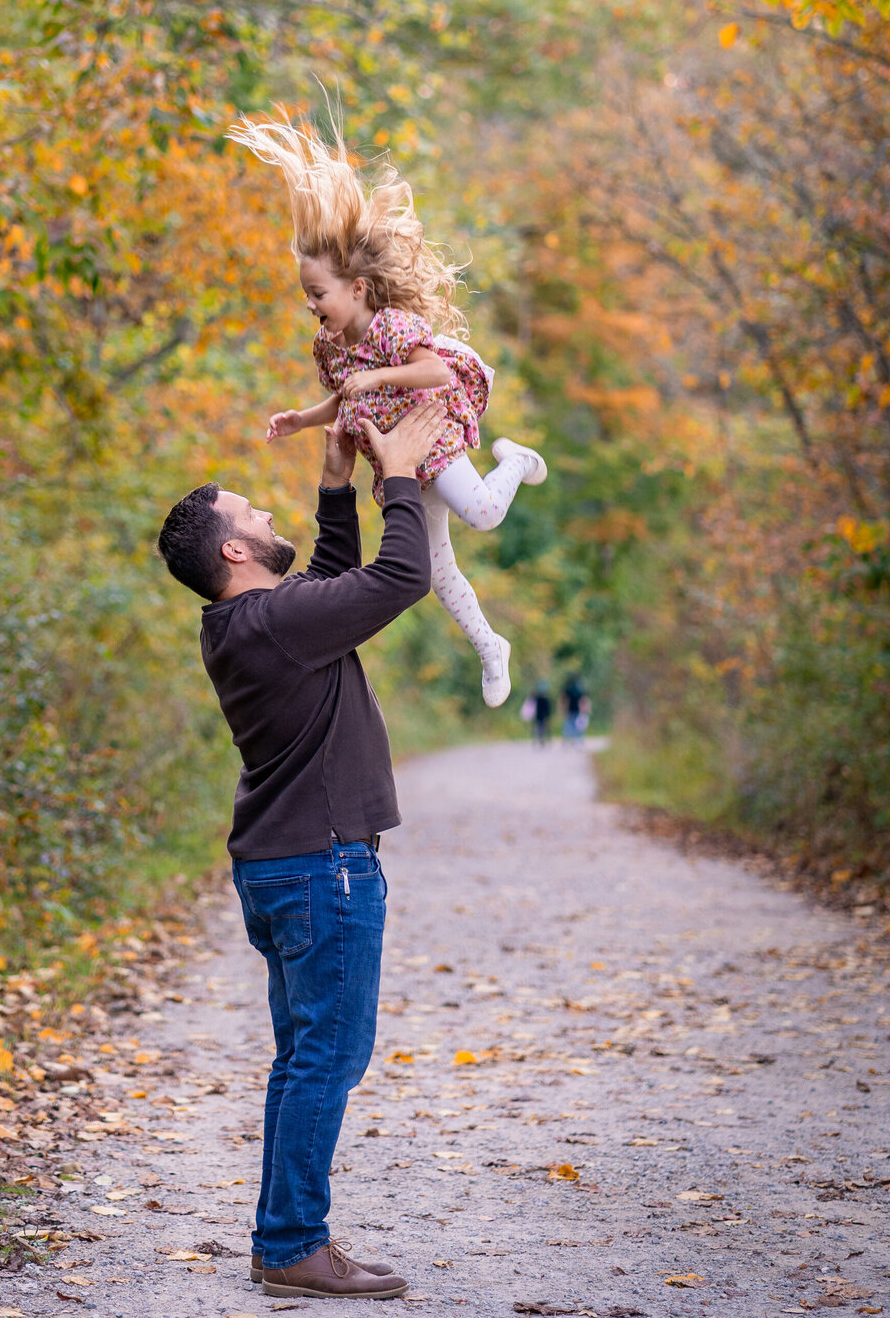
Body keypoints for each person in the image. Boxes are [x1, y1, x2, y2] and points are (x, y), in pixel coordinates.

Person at [157, 401, 446, 1301]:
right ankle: (291, 1245)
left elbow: (331, 577)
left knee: (304, 1055)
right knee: (328, 1055)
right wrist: (396, 471)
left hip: (283, 866)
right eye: (257, 515)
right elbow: (402, 577)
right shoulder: (276, 626)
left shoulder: (249, 625)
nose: (269, 518)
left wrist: (334, 483)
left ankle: (284, 1240)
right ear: (233, 552)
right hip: (324, 869)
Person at [230, 114, 547, 709]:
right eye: (306, 295)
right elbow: (344, 397)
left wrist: (379, 372)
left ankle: (517, 460)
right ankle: (490, 646)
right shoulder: (328, 345)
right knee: (431, 574)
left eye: (318, 293)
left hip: (430, 437)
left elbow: (436, 373)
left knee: (481, 514)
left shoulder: (392, 327)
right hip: (396, 463)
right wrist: (304, 417)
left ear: (357, 290)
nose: (310, 304)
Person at [562, 671, 585, 743]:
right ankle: (575, 740)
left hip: (571, 709)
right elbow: (581, 700)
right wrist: (582, 709)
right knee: (576, 725)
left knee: (569, 725)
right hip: (576, 709)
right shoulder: (579, 689)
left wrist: (565, 708)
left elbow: (566, 700)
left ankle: (568, 739)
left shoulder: (568, 688)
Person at [531, 678, 553, 746]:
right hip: (542, 715)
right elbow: (548, 708)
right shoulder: (545, 699)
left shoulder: (537, 699)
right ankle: (543, 739)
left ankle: (541, 739)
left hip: (539, 715)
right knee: (543, 727)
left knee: (540, 727)